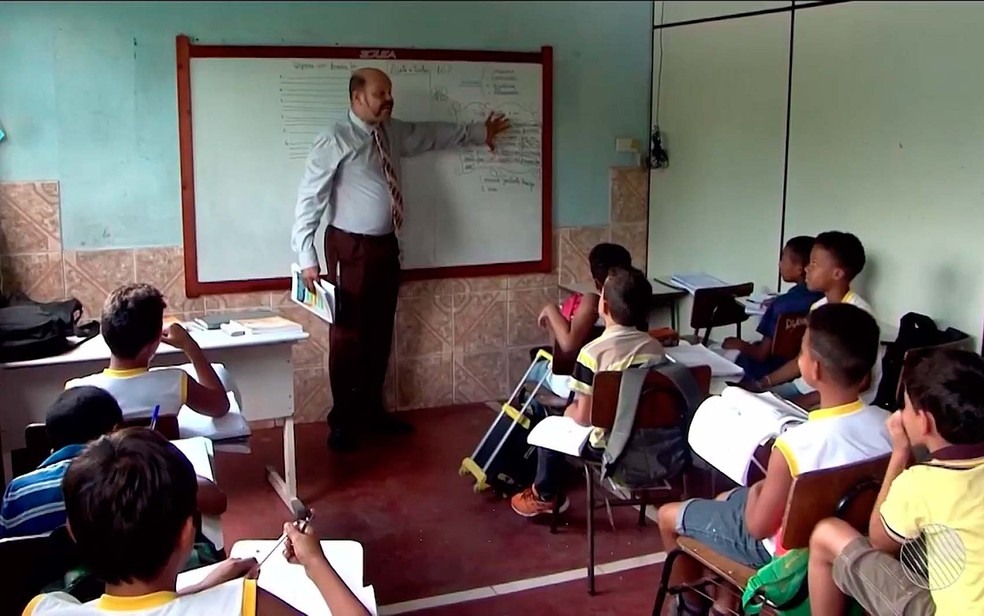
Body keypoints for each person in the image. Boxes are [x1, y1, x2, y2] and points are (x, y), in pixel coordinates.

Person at [290, 67, 511, 453]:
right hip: (348, 248)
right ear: (357, 98)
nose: (389, 99)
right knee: (348, 336)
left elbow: (432, 133)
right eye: (380, 93)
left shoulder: (392, 131)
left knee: (378, 332)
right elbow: (310, 198)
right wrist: (306, 255)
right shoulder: (335, 139)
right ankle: (343, 420)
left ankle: (372, 412)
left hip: (384, 247)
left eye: (389, 92)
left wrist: (480, 132)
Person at [656, 303, 891, 615]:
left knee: (668, 516)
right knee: (726, 497)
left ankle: (691, 605)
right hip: (849, 542)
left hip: (785, 560)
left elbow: (757, 527)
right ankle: (725, 604)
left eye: (802, 352)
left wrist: (756, 491)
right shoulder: (890, 426)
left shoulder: (795, 444)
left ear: (814, 369)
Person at [23, 428, 370, 616]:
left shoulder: (43, 608)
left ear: (74, 533)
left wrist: (202, 587)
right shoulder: (244, 604)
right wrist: (315, 562)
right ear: (187, 533)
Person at [807, 348, 984, 616]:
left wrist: (900, 452)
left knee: (826, 533)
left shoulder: (922, 482)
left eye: (905, 407)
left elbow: (880, 541)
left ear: (923, 422)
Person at [511, 266, 665, 518]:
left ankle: (544, 496)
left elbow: (584, 416)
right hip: (644, 439)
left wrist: (569, 410)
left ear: (603, 308)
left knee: (551, 425)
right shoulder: (655, 348)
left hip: (606, 443)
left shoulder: (592, 353)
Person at [0, 387, 226, 538]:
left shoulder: (16, 491)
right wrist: (155, 454)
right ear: (115, 433)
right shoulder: (132, 475)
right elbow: (215, 500)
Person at [65, 283, 231, 422]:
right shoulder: (175, 382)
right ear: (153, 345)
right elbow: (220, 406)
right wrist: (190, 346)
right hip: (157, 461)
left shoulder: (76, 392)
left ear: (104, 332)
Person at [753, 231, 874, 408]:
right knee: (753, 399)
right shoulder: (818, 307)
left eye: (814, 264)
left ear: (837, 273)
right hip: (806, 388)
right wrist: (764, 382)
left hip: (841, 402)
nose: (807, 268)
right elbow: (801, 360)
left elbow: (861, 382)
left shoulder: (859, 315)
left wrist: (798, 404)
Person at [524, 243, 633, 401]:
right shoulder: (634, 301)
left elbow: (567, 347)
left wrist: (551, 311)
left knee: (535, 369)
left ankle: (536, 418)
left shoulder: (593, 301)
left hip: (578, 385)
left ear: (596, 282)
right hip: (619, 384)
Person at [722, 235, 823, 382]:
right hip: (801, 371)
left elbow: (760, 354)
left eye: (783, 258)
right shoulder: (822, 299)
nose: (779, 263)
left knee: (723, 353)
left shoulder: (781, 305)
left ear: (799, 268)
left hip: (770, 370)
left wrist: (738, 344)